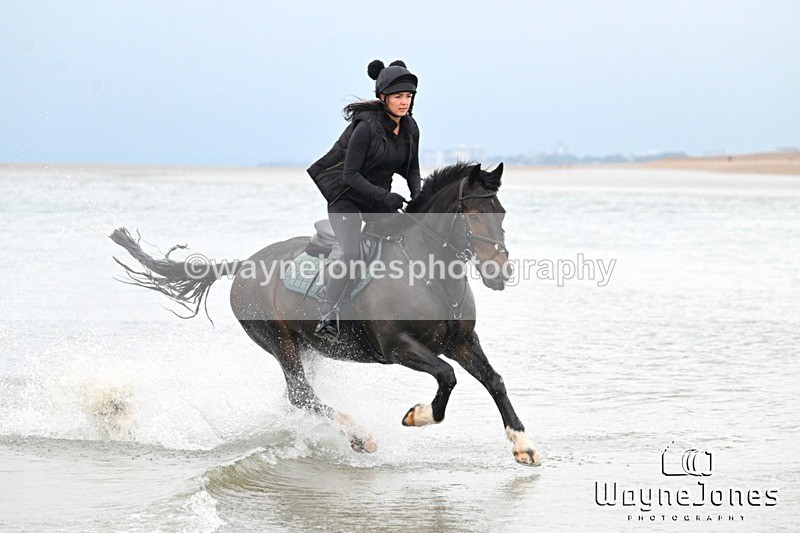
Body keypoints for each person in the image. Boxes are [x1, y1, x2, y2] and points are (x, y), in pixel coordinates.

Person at [307, 59, 421, 340]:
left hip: (378, 200)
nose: (404, 102)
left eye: (408, 96)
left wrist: (419, 198)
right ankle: (327, 313)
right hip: (346, 199)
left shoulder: (410, 128)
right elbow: (350, 175)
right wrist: (386, 196)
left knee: (409, 238)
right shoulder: (365, 127)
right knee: (352, 254)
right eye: (398, 97)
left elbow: (412, 168)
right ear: (383, 98)